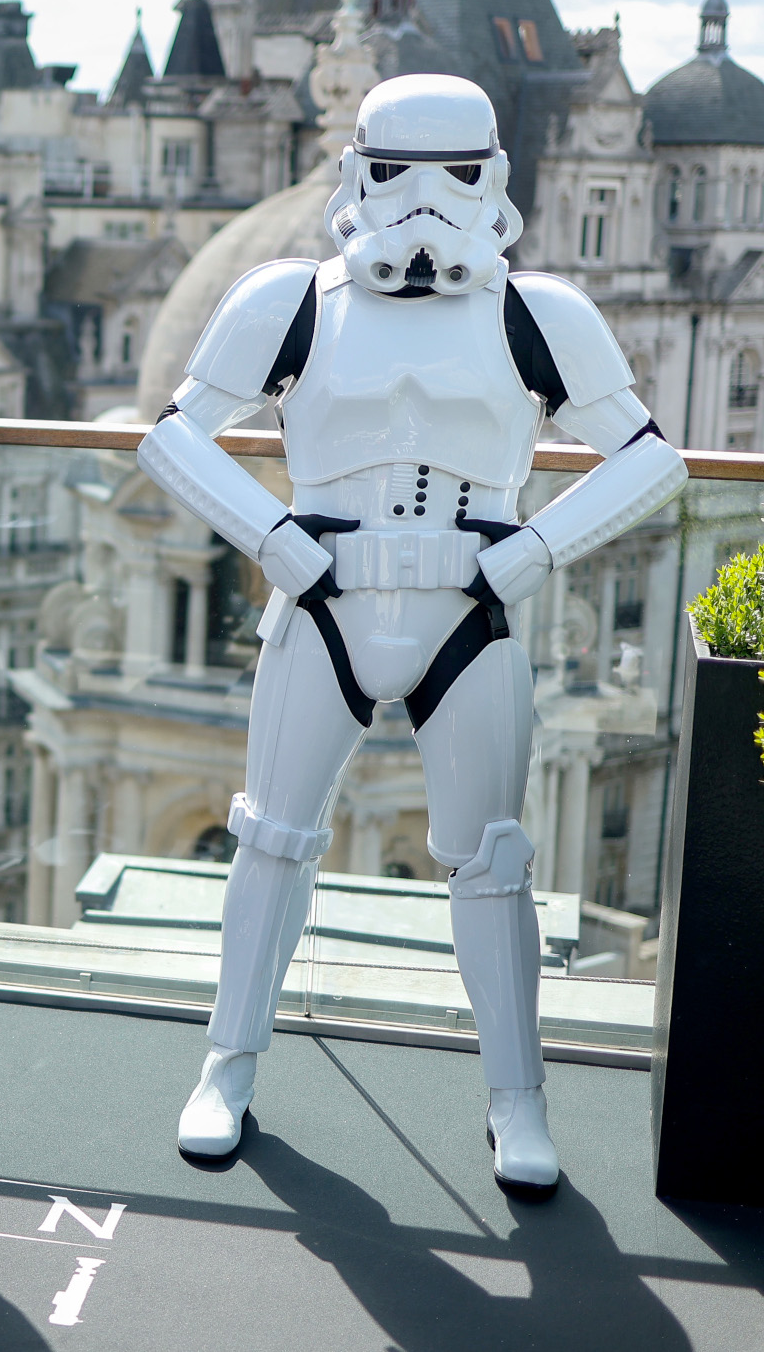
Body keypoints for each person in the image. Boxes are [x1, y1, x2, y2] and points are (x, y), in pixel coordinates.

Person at [137, 73, 687, 1195]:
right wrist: (278, 537)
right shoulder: (285, 298)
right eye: (397, 170)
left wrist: (528, 550)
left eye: (453, 170)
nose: (424, 199)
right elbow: (173, 438)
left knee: (487, 860)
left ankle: (515, 1096)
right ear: (356, 173)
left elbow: (650, 458)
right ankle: (227, 1062)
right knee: (270, 838)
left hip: (466, 615)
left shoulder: (537, 313)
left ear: (491, 176)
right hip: (322, 605)